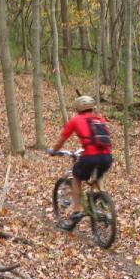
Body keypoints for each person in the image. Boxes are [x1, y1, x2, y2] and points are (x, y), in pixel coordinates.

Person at [48, 95, 113, 230]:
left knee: (76, 177)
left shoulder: (75, 120)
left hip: (90, 156)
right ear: (92, 107)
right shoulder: (100, 119)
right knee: (98, 175)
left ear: (78, 107)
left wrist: (53, 151)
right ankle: (104, 201)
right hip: (107, 156)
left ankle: (77, 211)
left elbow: (62, 140)